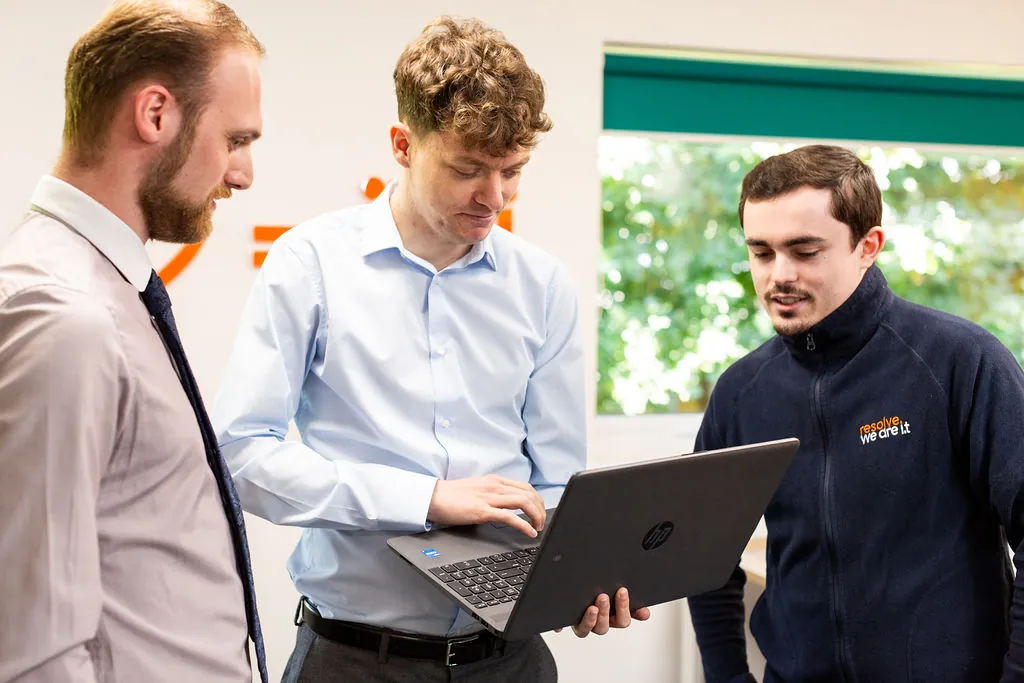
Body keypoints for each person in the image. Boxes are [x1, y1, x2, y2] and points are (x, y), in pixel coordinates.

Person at [212, 15, 649, 683]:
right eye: (469, 168)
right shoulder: (310, 264)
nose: (495, 197)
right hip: (356, 660)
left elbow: (557, 482)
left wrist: (585, 577)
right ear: (403, 143)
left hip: (512, 661)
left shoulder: (541, 284)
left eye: (513, 170)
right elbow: (242, 455)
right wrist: (425, 497)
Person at [0, 2, 268, 682]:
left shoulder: (106, 290)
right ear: (155, 114)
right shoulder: (65, 314)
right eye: (236, 140)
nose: (243, 174)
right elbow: (33, 649)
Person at [687, 144, 1024, 683]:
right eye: (762, 252)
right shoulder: (741, 392)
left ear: (868, 246)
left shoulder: (961, 361)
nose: (779, 276)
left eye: (805, 251)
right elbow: (703, 553)